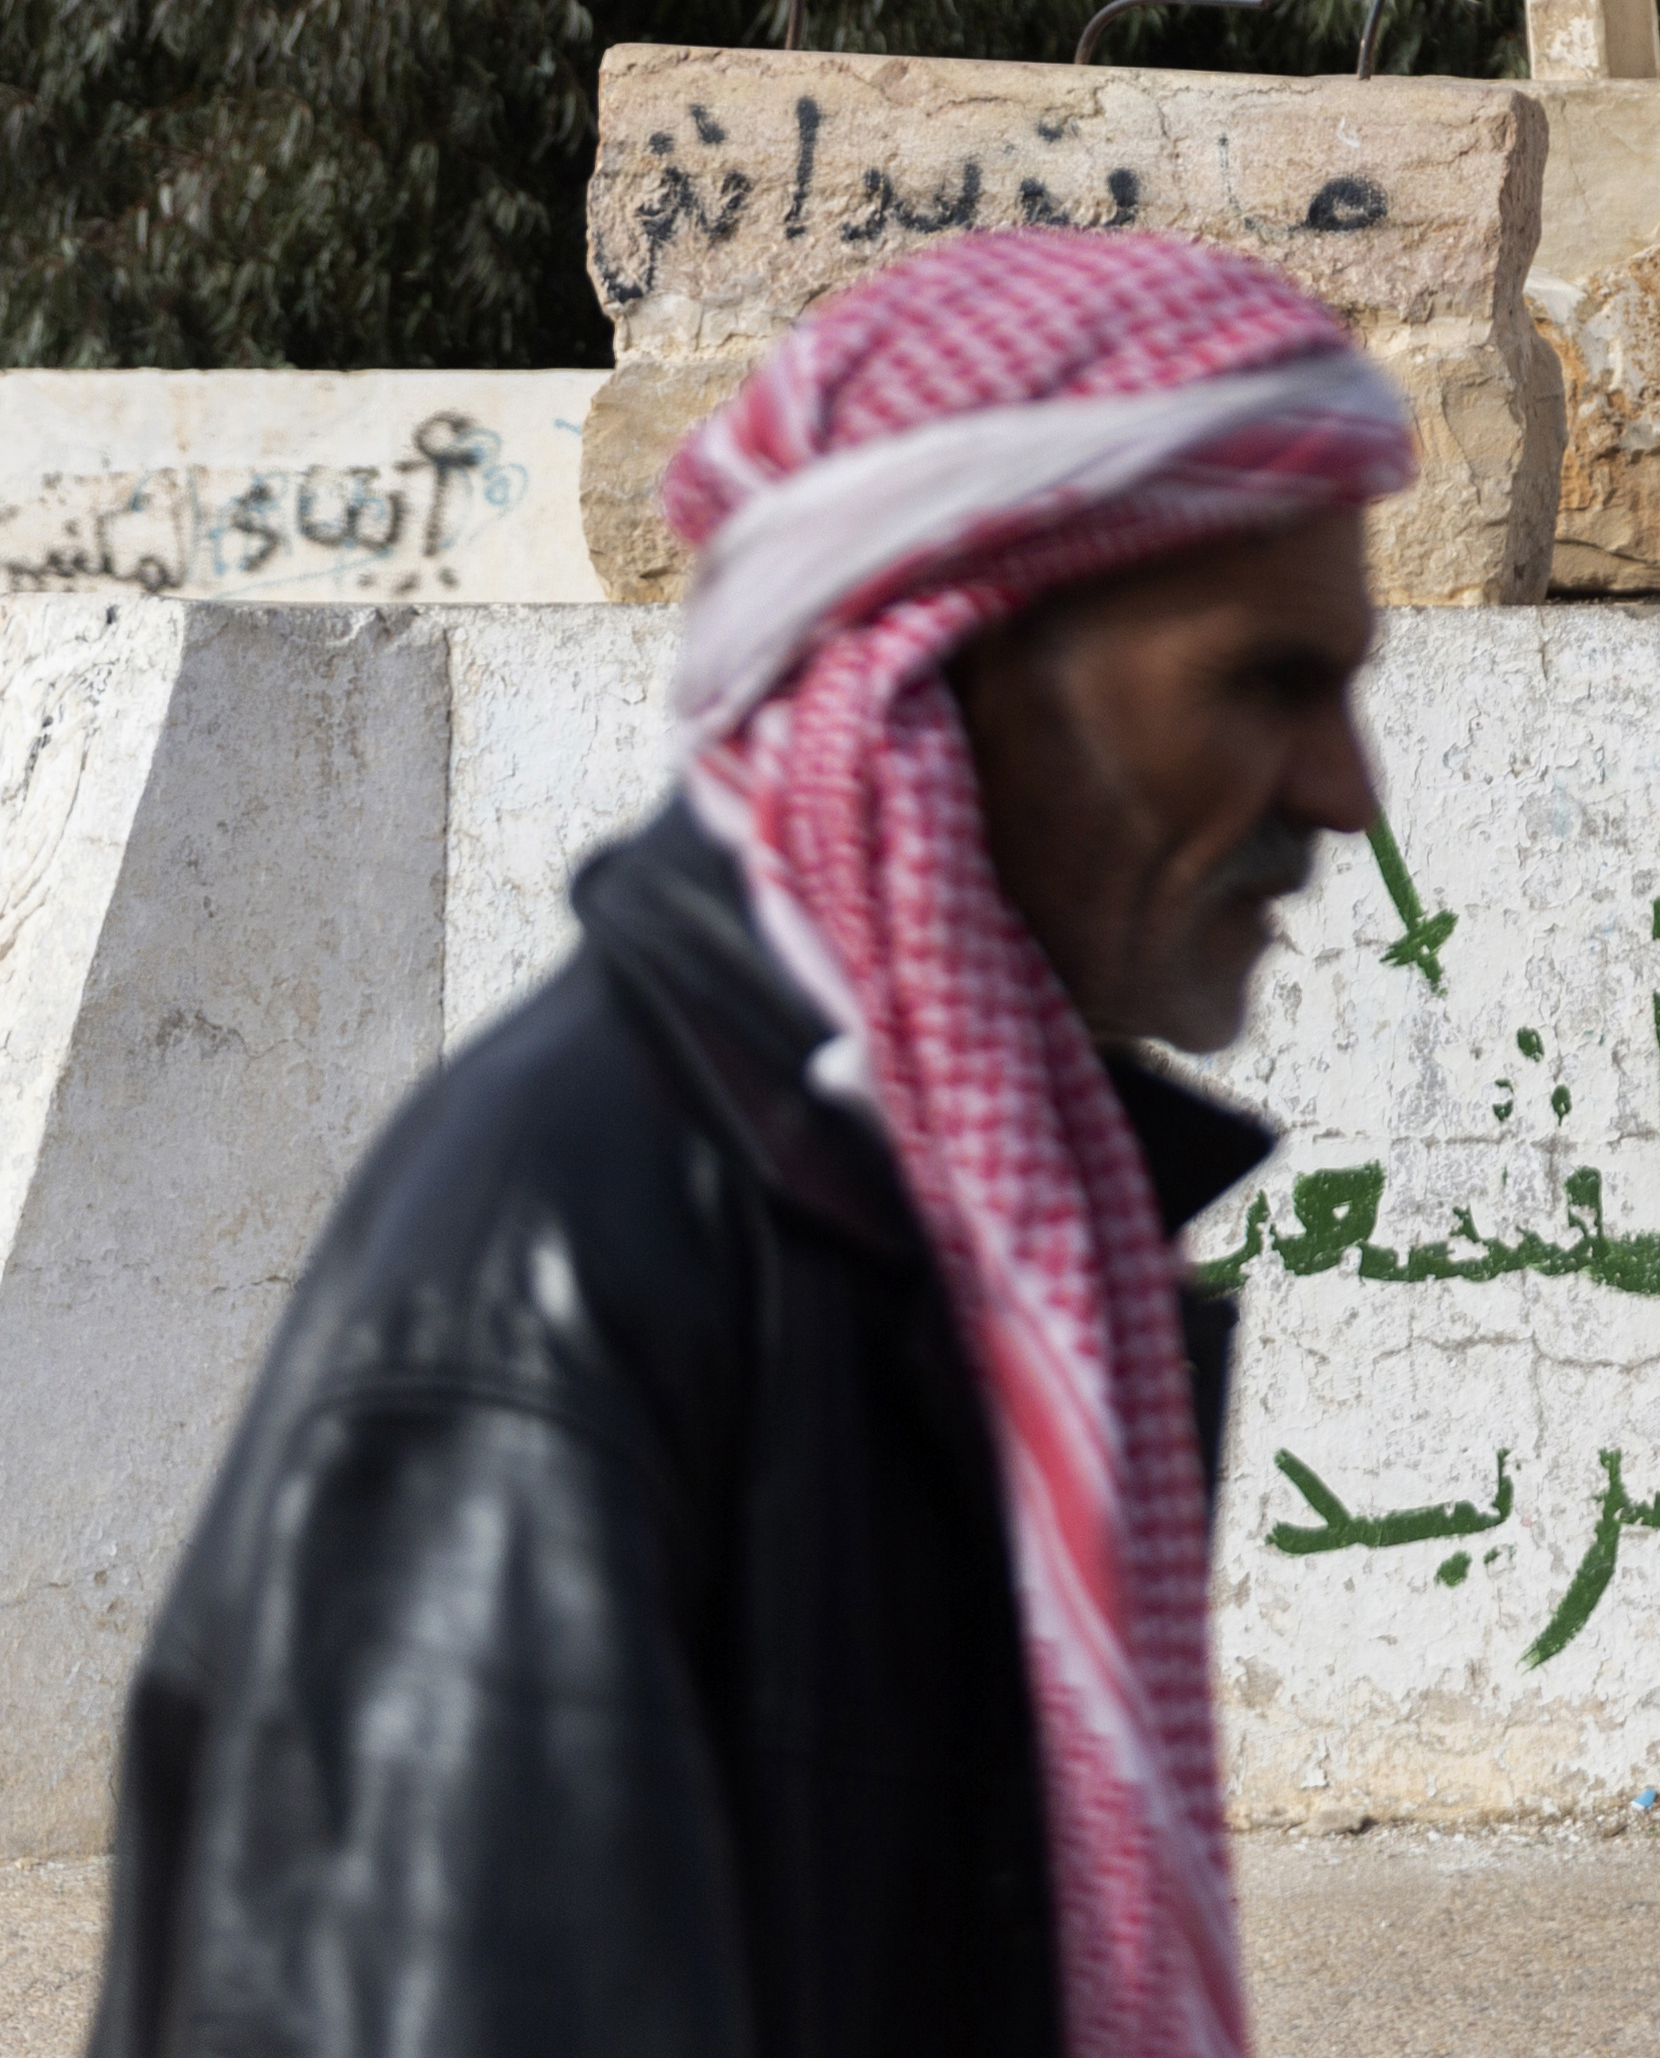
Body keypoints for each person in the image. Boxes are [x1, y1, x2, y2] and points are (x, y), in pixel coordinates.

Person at [87, 228, 1417, 2058]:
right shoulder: (554, 1260)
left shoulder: (955, 1199)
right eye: (1267, 684)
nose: (1347, 790)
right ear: (947, 670)